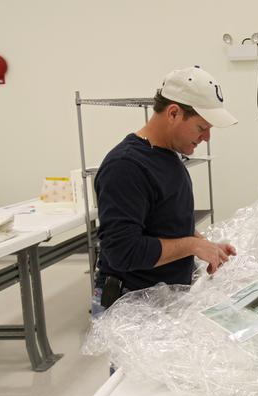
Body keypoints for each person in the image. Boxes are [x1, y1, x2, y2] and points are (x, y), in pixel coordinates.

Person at [92, 66, 238, 313]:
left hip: (162, 300)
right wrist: (192, 246)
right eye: (201, 127)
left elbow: (165, 222)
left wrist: (206, 246)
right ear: (173, 113)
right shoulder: (126, 166)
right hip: (131, 308)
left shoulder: (168, 156)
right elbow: (122, 251)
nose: (207, 137)